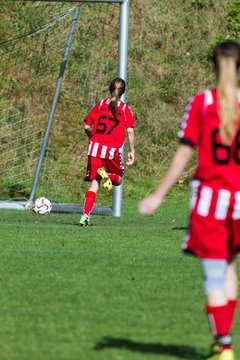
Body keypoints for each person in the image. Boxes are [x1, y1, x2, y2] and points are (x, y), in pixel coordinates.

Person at [139, 40, 240, 360]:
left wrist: (157, 195)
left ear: (212, 65)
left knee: (214, 272)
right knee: (228, 266)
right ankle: (222, 341)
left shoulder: (201, 102)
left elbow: (184, 153)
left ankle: (223, 344)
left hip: (210, 200)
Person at [80, 77, 135, 226]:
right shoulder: (124, 109)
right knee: (118, 179)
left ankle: (85, 216)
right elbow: (130, 131)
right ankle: (108, 175)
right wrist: (132, 151)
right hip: (111, 150)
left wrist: (91, 138)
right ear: (123, 92)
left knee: (94, 184)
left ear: (110, 89)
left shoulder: (100, 105)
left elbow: (86, 126)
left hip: (94, 147)